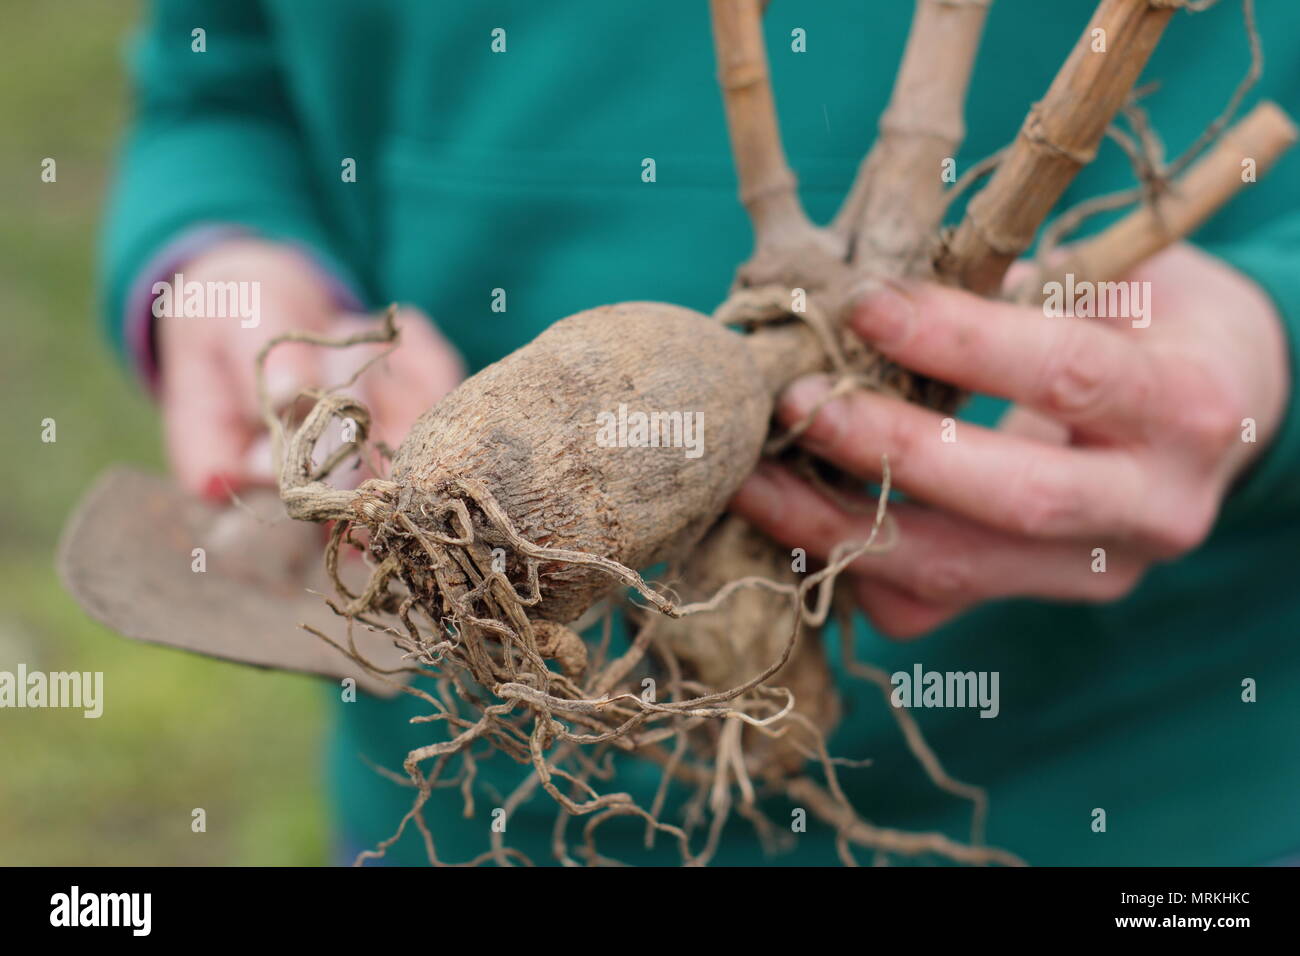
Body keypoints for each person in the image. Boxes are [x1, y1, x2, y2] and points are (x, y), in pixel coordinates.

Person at [101, 0, 1300, 865]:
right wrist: (226, 251)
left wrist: (1270, 343)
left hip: (1137, 793)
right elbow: (224, 77)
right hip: (473, 807)